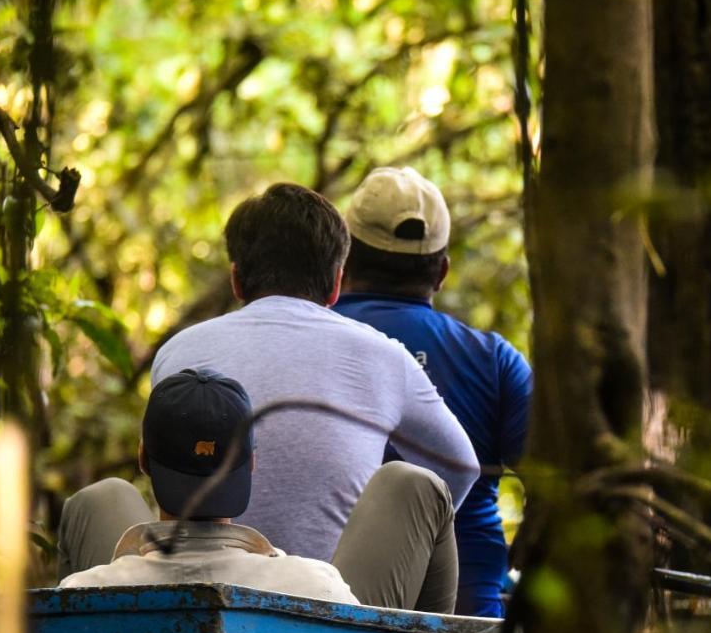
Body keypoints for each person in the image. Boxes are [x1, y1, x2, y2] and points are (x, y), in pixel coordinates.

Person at [132, 182, 477, 569]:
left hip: (197, 581)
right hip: (337, 603)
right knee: (418, 487)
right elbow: (462, 467)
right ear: (335, 284)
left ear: (236, 281)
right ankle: (408, 631)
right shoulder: (384, 355)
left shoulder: (178, 351)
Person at [59, 369, 459, 613]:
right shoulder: (319, 589)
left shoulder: (82, 595)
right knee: (413, 482)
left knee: (99, 497)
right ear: (251, 461)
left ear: (144, 459)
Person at [334, 167, 532, 617]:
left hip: (328, 618)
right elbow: (559, 490)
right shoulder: (495, 360)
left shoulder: (311, 343)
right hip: (470, 626)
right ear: (441, 270)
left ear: (343, 261)